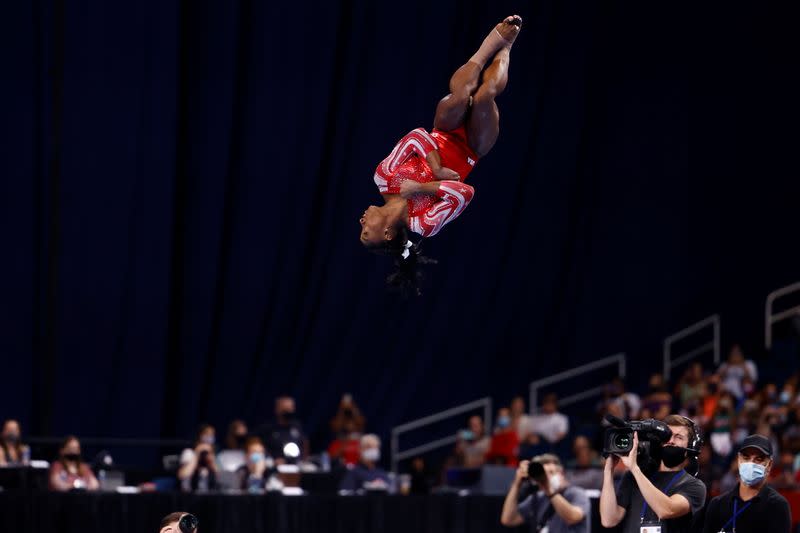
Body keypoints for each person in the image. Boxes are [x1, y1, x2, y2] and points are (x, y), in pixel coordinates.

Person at [359, 15, 522, 292]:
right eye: (365, 231)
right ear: (387, 234)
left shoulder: (383, 179)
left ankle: (486, 48)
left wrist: (434, 168)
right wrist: (424, 187)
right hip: (472, 147)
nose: (362, 220)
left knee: (458, 97)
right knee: (483, 97)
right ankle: (507, 47)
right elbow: (465, 194)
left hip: (444, 130)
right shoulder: (425, 224)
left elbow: (416, 137)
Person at [599, 414, 707, 532]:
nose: (670, 441)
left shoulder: (695, 486)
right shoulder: (633, 477)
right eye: (668, 435)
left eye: (678, 437)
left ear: (690, 447)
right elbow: (608, 520)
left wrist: (635, 469)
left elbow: (666, 510)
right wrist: (608, 471)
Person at [702, 434, 791, 532]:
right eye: (746, 457)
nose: (751, 463)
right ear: (739, 460)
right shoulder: (717, 504)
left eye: (759, 459)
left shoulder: (777, 506)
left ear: (769, 465)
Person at [500, 453, 590, 532]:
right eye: (544, 474)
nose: (546, 478)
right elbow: (508, 519)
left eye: (550, 472)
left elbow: (573, 517)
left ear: (561, 473)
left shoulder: (577, 493)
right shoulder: (538, 498)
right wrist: (517, 483)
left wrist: (549, 490)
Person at [257, 396, 308, 462]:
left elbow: (304, 443)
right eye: (285, 409)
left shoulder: (297, 426)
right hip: (274, 466)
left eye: (290, 408)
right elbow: (257, 447)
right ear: (277, 409)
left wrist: (304, 460)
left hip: (296, 466)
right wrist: (271, 460)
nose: (289, 411)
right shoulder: (267, 428)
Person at [177, 424, 218, 492]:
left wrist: (212, 462)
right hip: (191, 494)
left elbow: (221, 479)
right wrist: (197, 453)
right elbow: (183, 475)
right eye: (207, 434)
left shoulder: (214, 454)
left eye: (212, 435)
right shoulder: (189, 453)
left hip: (211, 495)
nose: (209, 438)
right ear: (199, 435)